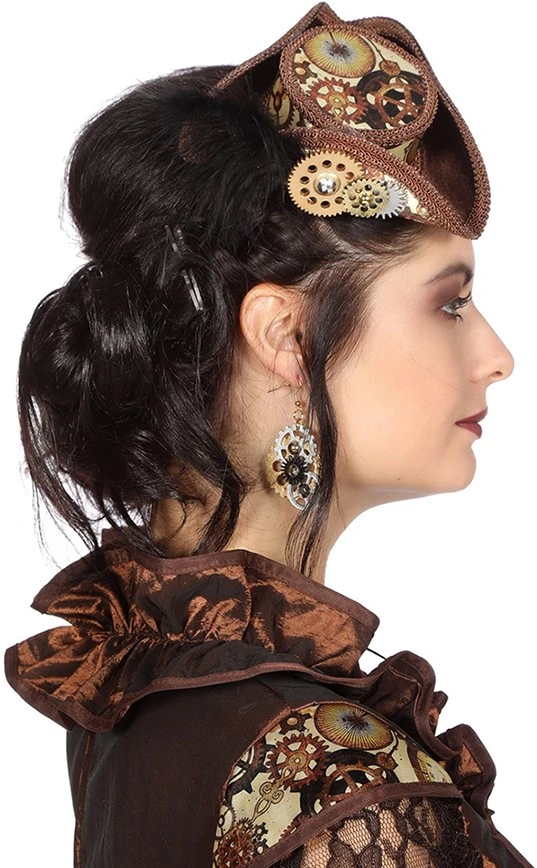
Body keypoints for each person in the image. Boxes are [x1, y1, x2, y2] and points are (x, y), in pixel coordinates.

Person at [3, 2, 532, 866]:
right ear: (286, 337)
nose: (496, 357)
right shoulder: (335, 778)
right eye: (449, 304)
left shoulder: (137, 674)